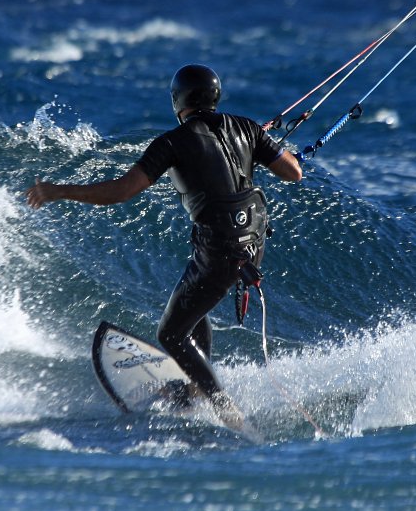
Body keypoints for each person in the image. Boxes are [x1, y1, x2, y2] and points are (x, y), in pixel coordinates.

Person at [25, 64, 302, 421]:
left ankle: (225, 410)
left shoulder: (172, 142)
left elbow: (122, 190)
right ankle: (193, 388)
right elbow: (293, 172)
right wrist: (261, 146)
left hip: (219, 250)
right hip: (252, 245)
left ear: (178, 100)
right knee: (193, 308)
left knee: (171, 333)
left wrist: (59, 191)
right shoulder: (247, 127)